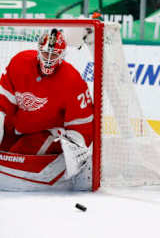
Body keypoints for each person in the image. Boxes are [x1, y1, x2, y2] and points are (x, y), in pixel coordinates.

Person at [0, 29, 93, 191]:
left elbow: (83, 123)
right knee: (5, 152)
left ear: (62, 55)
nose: (49, 60)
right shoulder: (19, 62)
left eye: (54, 55)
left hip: (48, 131)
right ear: (38, 51)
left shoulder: (72, 80)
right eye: (45, 54)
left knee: (17, 155)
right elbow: (3, 103)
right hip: (19, 126)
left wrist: (75, 153)